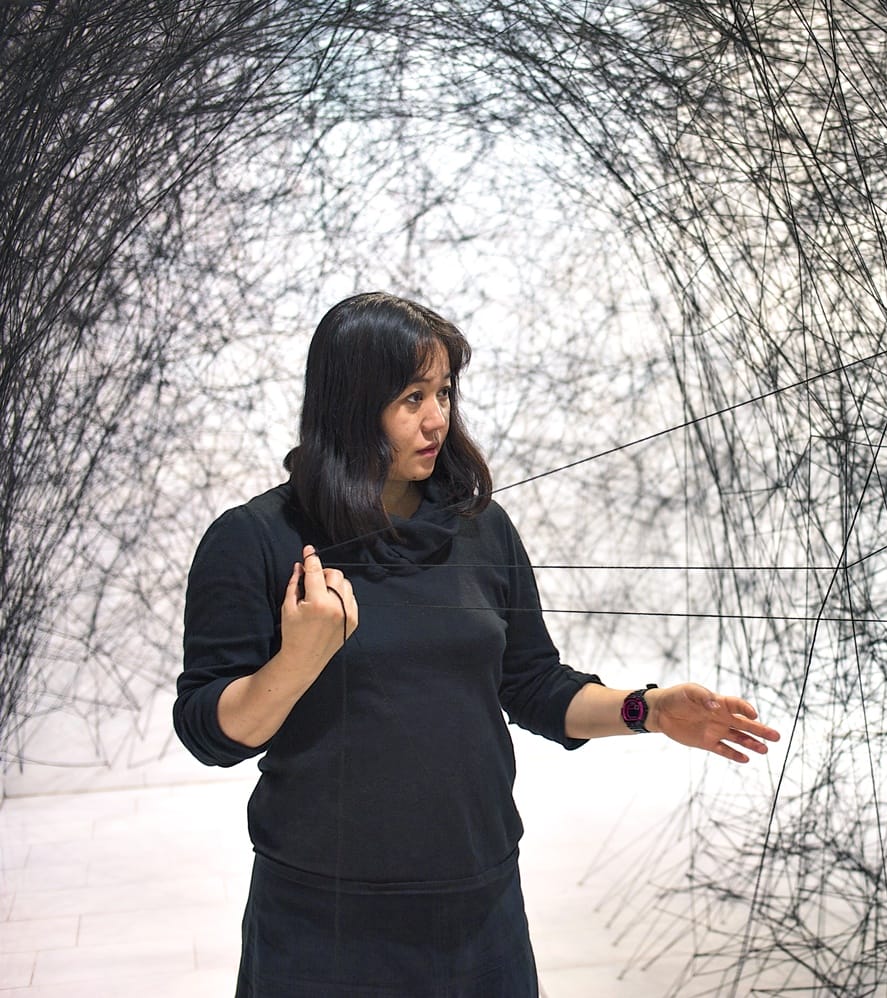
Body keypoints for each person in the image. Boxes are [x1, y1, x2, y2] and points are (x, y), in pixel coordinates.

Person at [174, 291, 780, 997]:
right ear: (347, 406)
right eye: (410, 398)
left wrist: (648, 709)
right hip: (324, 915)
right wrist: (301, 657)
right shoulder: (255, 539)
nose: (437, 419)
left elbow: (532, 683)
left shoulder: (481, 529)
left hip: (477, 899)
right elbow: (209, 732)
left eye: (444, 392)